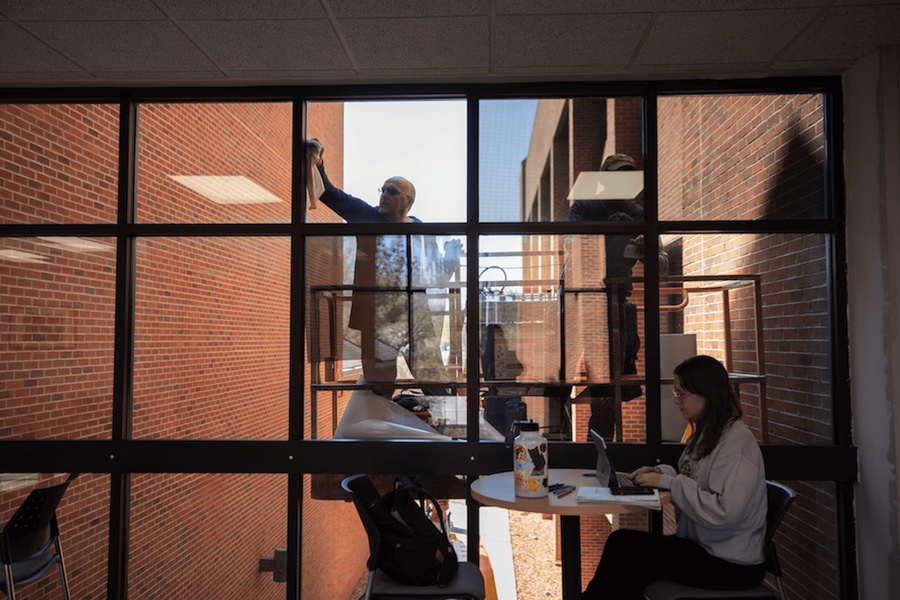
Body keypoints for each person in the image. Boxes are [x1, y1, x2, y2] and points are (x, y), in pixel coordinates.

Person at [581, 355, 767, 599]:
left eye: (682, 394)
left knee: (624, 549)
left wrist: (669, 482)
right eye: (676, 394)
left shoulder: (736, 445)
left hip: (731, 564)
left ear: (707, 394)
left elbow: (725, 512)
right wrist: (661, 473)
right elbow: (690, 476)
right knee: (624, 552)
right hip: (705, 549)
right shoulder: (707, 433)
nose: (677, 401)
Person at [306, 139, 461, 398]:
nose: (383, 195)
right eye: (383, 189)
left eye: (391, 191)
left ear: (408, 202)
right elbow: (331, 194)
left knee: (437, 386)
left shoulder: (421, 229)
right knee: (379, 389)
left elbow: (436, 278)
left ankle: (453, 435)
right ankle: (381, 436)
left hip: (415, 320)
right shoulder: (367, 216)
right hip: (378, 322)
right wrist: (319, 162)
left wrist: (450, 259)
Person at [565, 153, 669, 441]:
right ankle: (558, 450)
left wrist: (645, 247)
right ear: (604, 179)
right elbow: (572, 247)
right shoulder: (585, 206)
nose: (623, 182)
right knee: (561, 381)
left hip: (613, 307)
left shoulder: (638, 215)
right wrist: (610, 231)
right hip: (578, 301)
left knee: (608, 390)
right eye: (617, 176)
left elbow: (661, 266)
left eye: (628, 176)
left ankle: (599, 457)